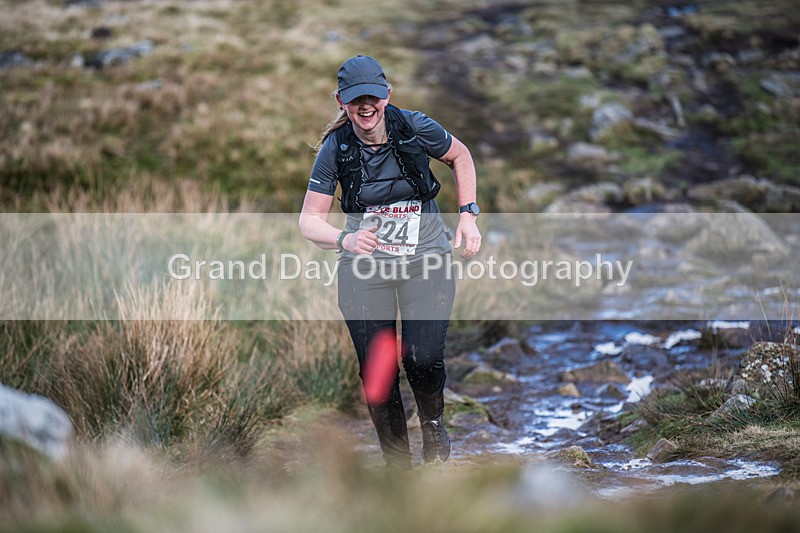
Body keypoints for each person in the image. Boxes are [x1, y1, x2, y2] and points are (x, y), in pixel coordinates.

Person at [299, 54, 481, 470]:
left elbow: (461, 156)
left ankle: (432, 423)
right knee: (378, 373)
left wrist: (468, 215)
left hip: (426, 259)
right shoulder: (335, 148)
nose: (365, 106)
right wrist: (345, 239)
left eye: (372, 97)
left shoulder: (415, 126)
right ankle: (398, 469)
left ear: (387, 95)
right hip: (366, 270)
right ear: (341, 102)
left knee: (421, 357)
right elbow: (309, 222)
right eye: (355, 99)